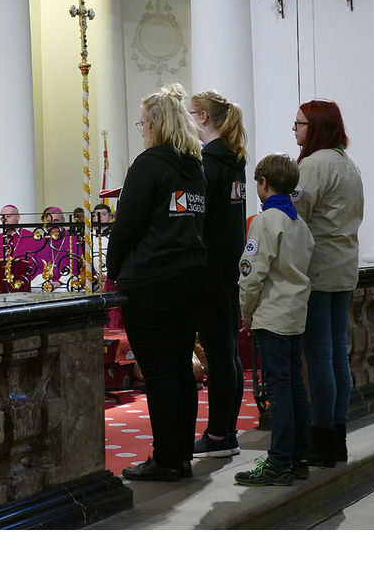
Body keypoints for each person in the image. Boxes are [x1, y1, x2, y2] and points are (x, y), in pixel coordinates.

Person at [106, 84, 208, 482]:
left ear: (156, 125)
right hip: (189, 278)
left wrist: (113, 271)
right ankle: (180, 454)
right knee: (180, 368)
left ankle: (167, 459)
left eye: (143, 122)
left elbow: (125, 226)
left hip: (151, 281)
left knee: (160, 373)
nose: (142, 129)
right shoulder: (194, 167)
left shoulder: (149, 165)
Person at [291, 98, 364, 467]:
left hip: (318, 270)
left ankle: (321, 437)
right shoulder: (346, 163)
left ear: (316, 127)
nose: (296, 130)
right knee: (337, 353)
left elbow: (295, 217)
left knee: (319, 355)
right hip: (343, 267)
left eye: (301, 124)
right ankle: (337, 435)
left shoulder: (315, 165)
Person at [234, 154, 314, 486]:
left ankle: (279, 461)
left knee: (279, 390)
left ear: (264, 183)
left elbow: (251, 275)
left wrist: (247, 313)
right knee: (295, 387)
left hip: (272, 316)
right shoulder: (300, 224)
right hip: (295, 315)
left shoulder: (266, 222)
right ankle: (298, 457)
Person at [188, 89, 248, 459]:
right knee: (228, 354)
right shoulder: (234, 158)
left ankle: (219, 435)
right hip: (230, 265)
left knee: (219, 354)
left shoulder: (208, 163)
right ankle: (227, 431)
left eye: (191, 114)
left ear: (203, 118)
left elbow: (200, 218)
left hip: (210, 267)